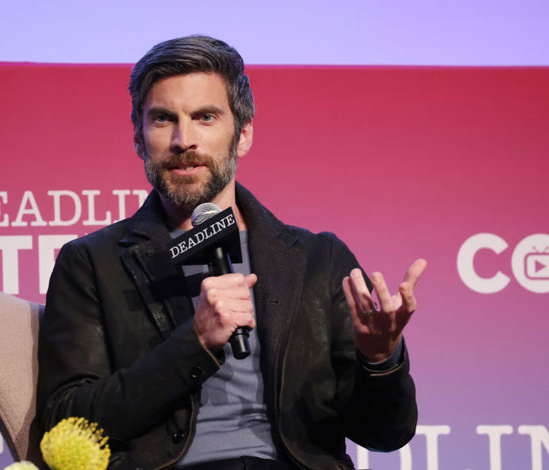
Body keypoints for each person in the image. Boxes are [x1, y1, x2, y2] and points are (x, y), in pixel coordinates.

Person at [36, 35, 426, 470]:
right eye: (163, 119)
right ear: (139, 138)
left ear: (242, 134)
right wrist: (194, 342)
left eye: (205, 117)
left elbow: (387, 433)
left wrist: (379, 358)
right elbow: (63, 426)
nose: (184, 140)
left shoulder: (319, 259)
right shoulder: (93, 263)